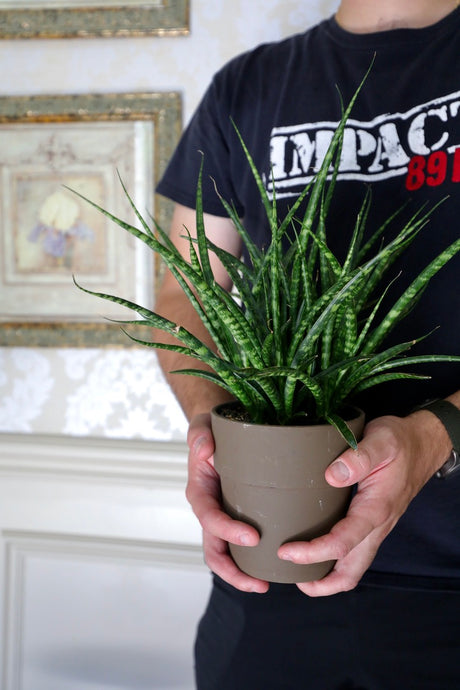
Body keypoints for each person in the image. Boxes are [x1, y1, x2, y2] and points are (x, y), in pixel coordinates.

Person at [155, 1, 460, 687]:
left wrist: (435, 434)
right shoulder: (250, 83)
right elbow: (183, 294)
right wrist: (211, 427)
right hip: (266, 576)